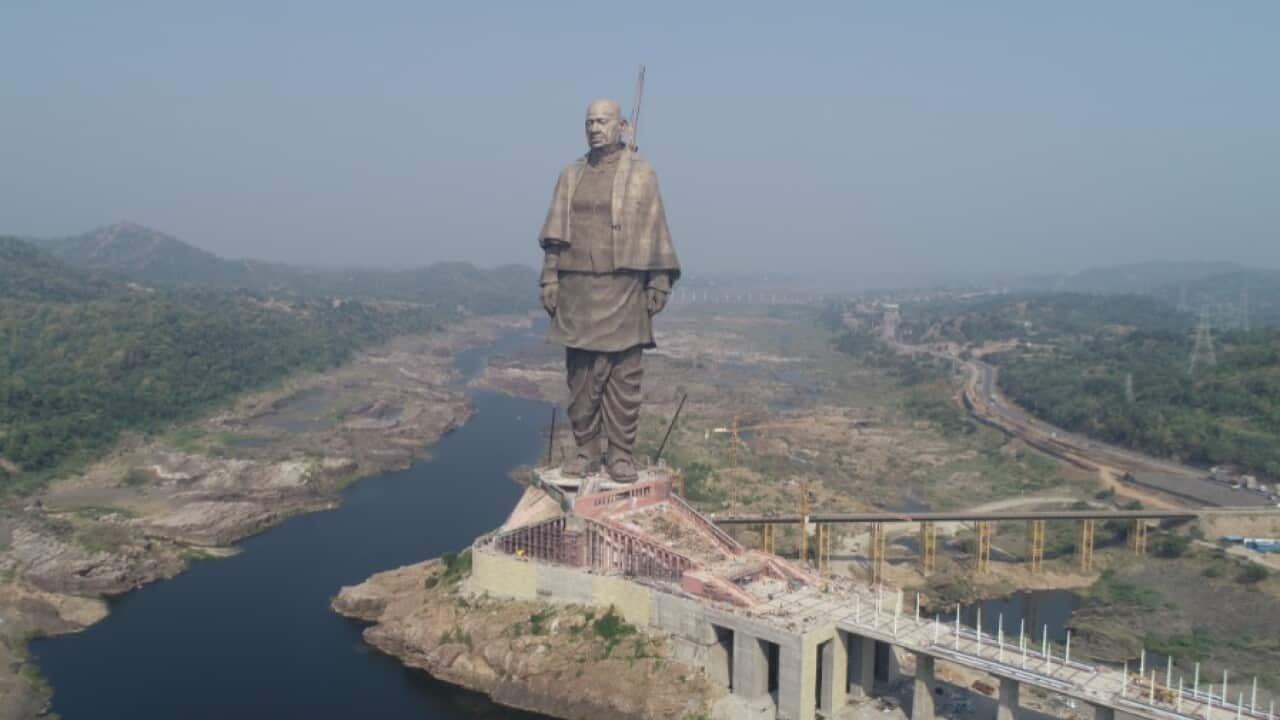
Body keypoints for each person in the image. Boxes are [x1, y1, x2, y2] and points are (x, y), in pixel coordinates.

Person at [537, 98, 680, 482]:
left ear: (622, 125)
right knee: (581, 376)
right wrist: (550, 276)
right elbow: (554, 235)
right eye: (589, 122)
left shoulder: (641, 173)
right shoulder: (571, 174)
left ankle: (620, 453)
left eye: (602, 121)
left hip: (625, 287)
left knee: (623, 376)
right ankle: (586, 450)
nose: (595, 128)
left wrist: (659, 281)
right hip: (578, 288)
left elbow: (656, 227)